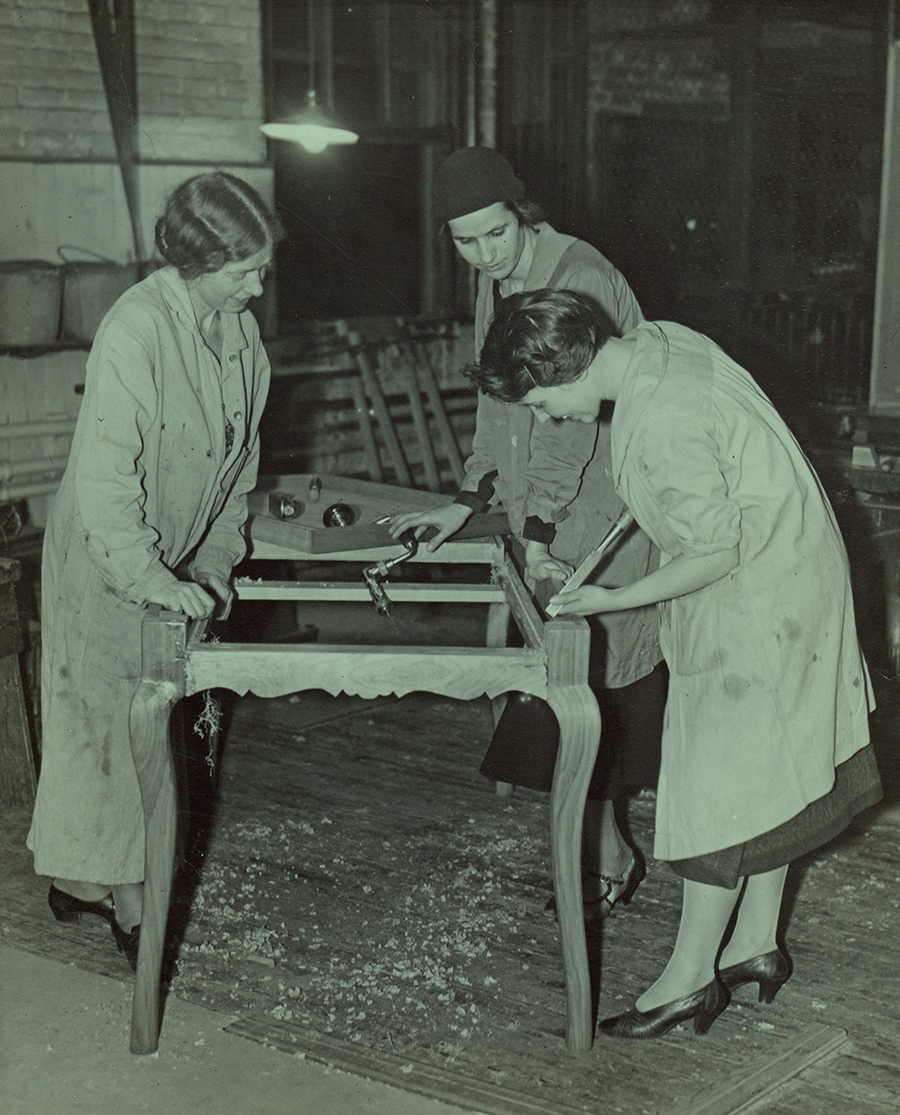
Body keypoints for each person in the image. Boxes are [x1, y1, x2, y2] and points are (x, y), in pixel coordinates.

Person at [465, 287, 882, 1038]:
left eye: (540, 400)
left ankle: (688, 980)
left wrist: (610, 599)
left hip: (758, 591)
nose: (544, 416)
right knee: (769, 767)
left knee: (717, 783)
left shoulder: (660, 420)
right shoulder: (660, 343)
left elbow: (714, 551)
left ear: (566, 368)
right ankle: (754, 942)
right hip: (799, 561)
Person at [389, 146, 665, 918]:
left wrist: (538, 534)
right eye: (465, 241)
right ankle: (607, 853)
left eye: (495, 234)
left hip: (595, 510)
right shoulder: (499, 280)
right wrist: (466, 497)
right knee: (571, 688)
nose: (483, 254)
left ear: (524, 211)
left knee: (592, 690)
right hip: (541, 515)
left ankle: (609, 855)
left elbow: (565, 436)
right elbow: (500, 404)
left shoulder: (577, 274)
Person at [27, 172, 282, 968]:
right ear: (195, 261)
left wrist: (213, 561)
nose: (259, 283)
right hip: (107, 552)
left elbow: (239, 470)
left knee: (145, 728)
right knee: (103, 726)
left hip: (175, 553)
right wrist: (150, 575)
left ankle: (80, 878)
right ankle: (131, 904)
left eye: (262, 265)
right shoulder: (134, 330)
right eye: (243, 269)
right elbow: (106, 483)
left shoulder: (241, 337)